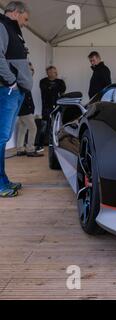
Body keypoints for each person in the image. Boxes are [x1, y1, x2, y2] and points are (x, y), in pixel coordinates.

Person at [0, 1, 32, 198]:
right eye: (25, 19)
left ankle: (3, 180)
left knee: (3, 138)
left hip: (15, 91)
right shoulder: (2, 26)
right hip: (8, 90)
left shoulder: (13, 30)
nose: (26, 23)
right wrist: (12, 81)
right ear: (15, 12)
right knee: (1, 137)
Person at [16, 63, 42, 158]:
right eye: (30, 69)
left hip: (22, 110)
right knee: (33, 128)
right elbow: (24, 97)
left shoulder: (23, 80)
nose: (32, 71)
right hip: (25, 110)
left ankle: (20, 149)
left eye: (32, 69)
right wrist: (30, 109)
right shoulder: (23, 81)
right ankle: (30, 149)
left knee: (22, 129)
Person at [37, 66, 66, 148]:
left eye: (55, 71)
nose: (53, 73)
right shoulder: (43, 81)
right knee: (44, 126)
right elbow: (46, 90)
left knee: (56, 126)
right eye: (51, 72)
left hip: (57, 107)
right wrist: (54, 87)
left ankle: (54, 144)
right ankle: (40, 145)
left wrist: (55, 86)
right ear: (48, 73)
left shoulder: (60, 81)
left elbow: (63, 90)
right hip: (46, 107)